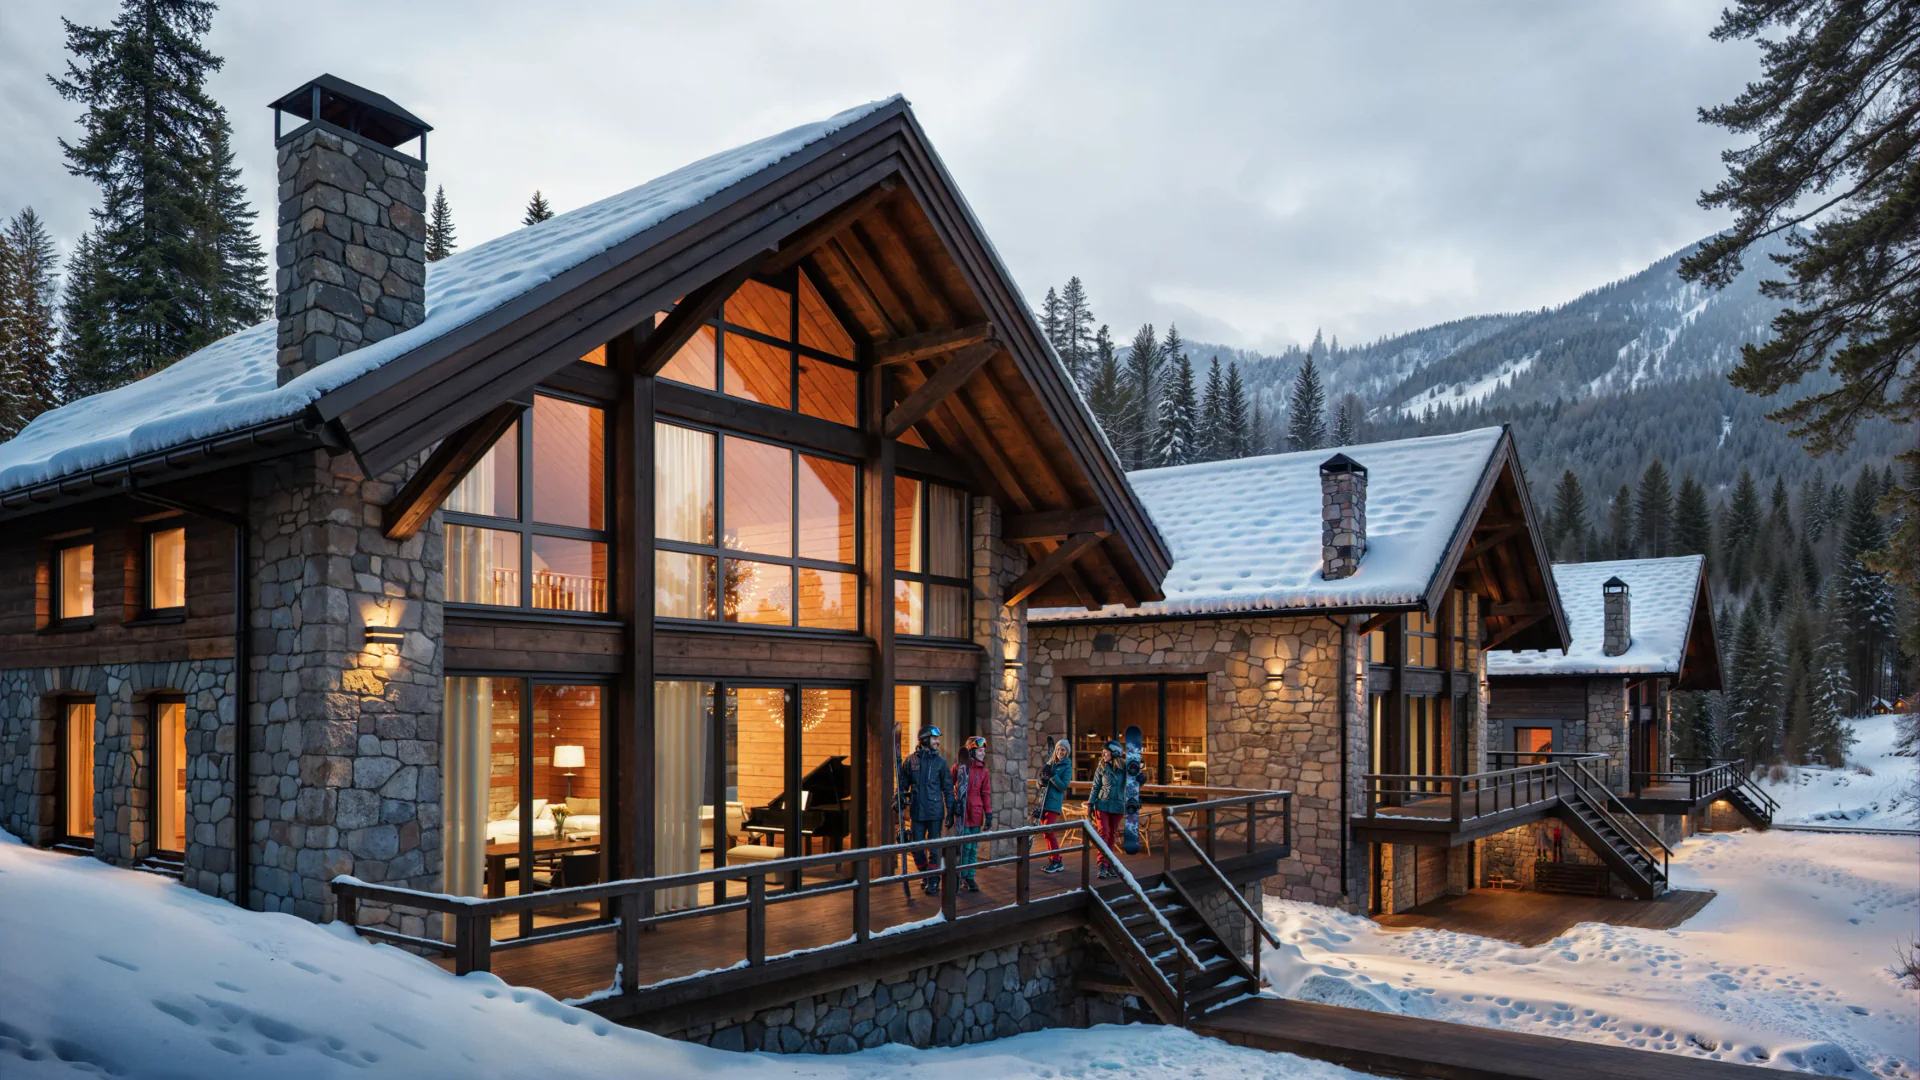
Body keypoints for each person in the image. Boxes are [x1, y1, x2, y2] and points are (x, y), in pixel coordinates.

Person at [898, 726, 953, 895]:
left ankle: (934, 880)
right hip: (917, 812)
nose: (938, 742)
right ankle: (926, 875)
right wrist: (897, 799)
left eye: (938, 739)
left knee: (934, 848)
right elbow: (902, 785)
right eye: (934, 739)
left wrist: (950, 810)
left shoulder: (941, 763)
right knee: (916, 847)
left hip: (935, 811)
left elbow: (948, 789)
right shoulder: (910, 761)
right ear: (924, 740)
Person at [949, 736, 993, 892]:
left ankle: (969, 877)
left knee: (973, 847)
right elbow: (948, 788)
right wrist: (952, 805)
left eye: (984, 751)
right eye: (980, 750)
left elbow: (985, 793)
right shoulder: (958, 768)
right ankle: (960, 875)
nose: (983, 754)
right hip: (962, 812)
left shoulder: (984, 772)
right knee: (965, 846)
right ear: (972, 751)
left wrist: (988, 814)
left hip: (975, 811)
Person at [1087, 738, 1127, 878]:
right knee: (1103, 833)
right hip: (1102, 804)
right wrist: (1090, 803)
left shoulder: (1125, 769)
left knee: (1111, 835)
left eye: (1106, 752)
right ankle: (1102, 865)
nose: (1103, 755)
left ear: (1115, 753)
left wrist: (1140, 778)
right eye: (1102, 752)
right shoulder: (1101, 767)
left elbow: (1135, 784)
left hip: (1118, 806)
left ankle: (1109, 863)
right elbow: (1095, 786)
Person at [1034, 738, 1073, 873]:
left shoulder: (1067, 767)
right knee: (1046, 832)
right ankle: (1053, 858)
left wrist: (1052, 776)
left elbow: (1063, 786)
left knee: (1048, 830)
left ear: (1067, 752)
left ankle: (1057, 860)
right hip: (1043, 801)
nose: (1060, 752)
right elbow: (1039, 784)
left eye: (1063, 750)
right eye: (1058, 749)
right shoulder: (1051, 764)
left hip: (1053, 802)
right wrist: (1041, 780)